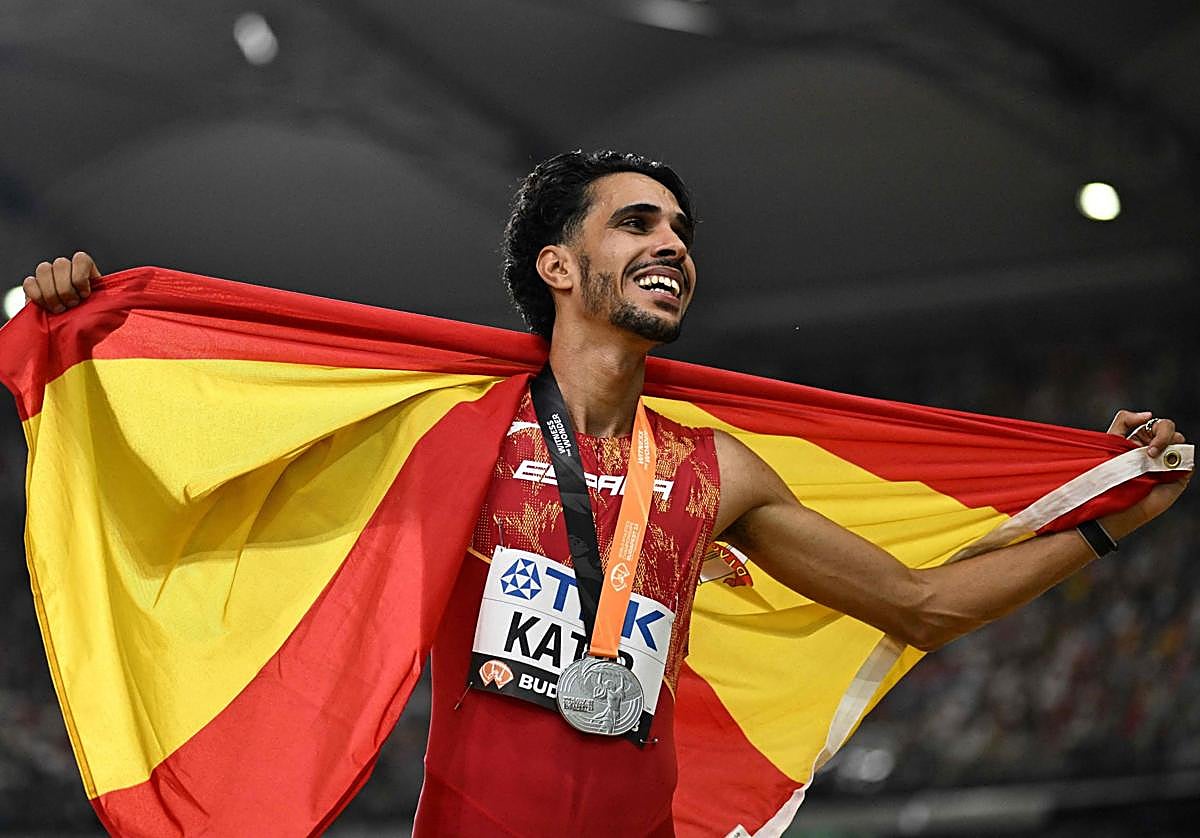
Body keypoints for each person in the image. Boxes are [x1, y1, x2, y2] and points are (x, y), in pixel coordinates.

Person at [20, 150, 1190, 836]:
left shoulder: (717, 470)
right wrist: (86, 329)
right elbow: (221, 463)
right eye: (637, 223)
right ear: (560, 268)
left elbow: (922, 605)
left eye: (681, 229)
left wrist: (1105, 521)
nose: (672, 242)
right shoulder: (450, 434)